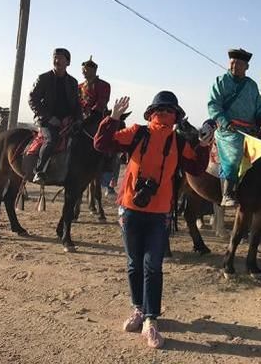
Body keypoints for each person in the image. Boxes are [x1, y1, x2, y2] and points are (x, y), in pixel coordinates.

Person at [94, 92, 211, 349]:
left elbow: (102, 143)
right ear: (157, 113)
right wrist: (112, 118)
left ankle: (148, 317)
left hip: (147, 212)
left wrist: (203, 146)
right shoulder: (140, 133)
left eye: (169, 111)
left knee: (145, 265)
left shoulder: (174, 140)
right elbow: (101, 143)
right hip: (141, 211)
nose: (166, 115)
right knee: (142, 265)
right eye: (165, 111)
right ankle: (143, 314)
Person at [207, 48, 261, 207]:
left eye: (239, 63)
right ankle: (227, 194)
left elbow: (259, 105)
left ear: (246, 67)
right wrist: (225, 122)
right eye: (232, 62)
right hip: (228, 130)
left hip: (250, 129)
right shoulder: (221, 81)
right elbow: (213, 105)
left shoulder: (251, 85)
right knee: (234, 153)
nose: (235, 66)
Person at [28, 48, 82, 183]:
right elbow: (32, 99)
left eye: (60, 58)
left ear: (68, 62)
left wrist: (79, 119)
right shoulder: (43, 78)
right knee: (51, 140)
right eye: (55, 57)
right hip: (47, 121)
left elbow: (76, 104)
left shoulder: (73, 82)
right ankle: (39, 171)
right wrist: (48, 117)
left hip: (68, 121)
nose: (57, 60)